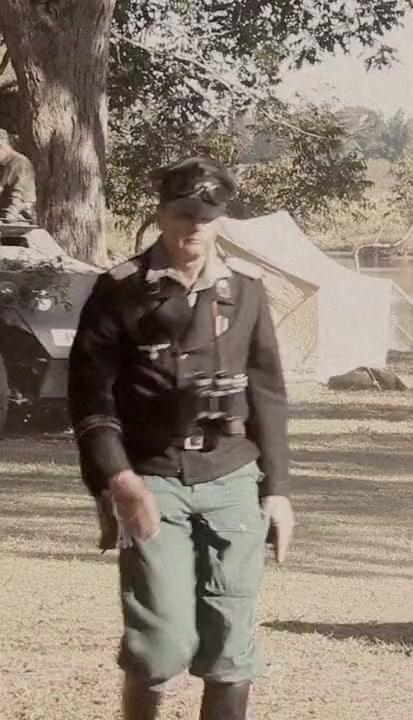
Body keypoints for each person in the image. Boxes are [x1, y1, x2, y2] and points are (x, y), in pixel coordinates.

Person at [67, 156, 296, 720]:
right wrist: (117, 480)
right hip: (152, 480)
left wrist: (278, 490)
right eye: (183, 213)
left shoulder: (245, 290)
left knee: (230, 647)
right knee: (160, 645)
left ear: (221, 219)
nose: (194, 225)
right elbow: (91, 400)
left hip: (232, 476)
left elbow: (268, 393)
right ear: (162, 213)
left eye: (206, 215)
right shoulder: (119, 290)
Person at [0, 128, 36, 223]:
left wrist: (10, 214)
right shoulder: (3, 163)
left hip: (16, 217)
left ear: (2, 146)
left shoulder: (20, 163)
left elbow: (20, 195)